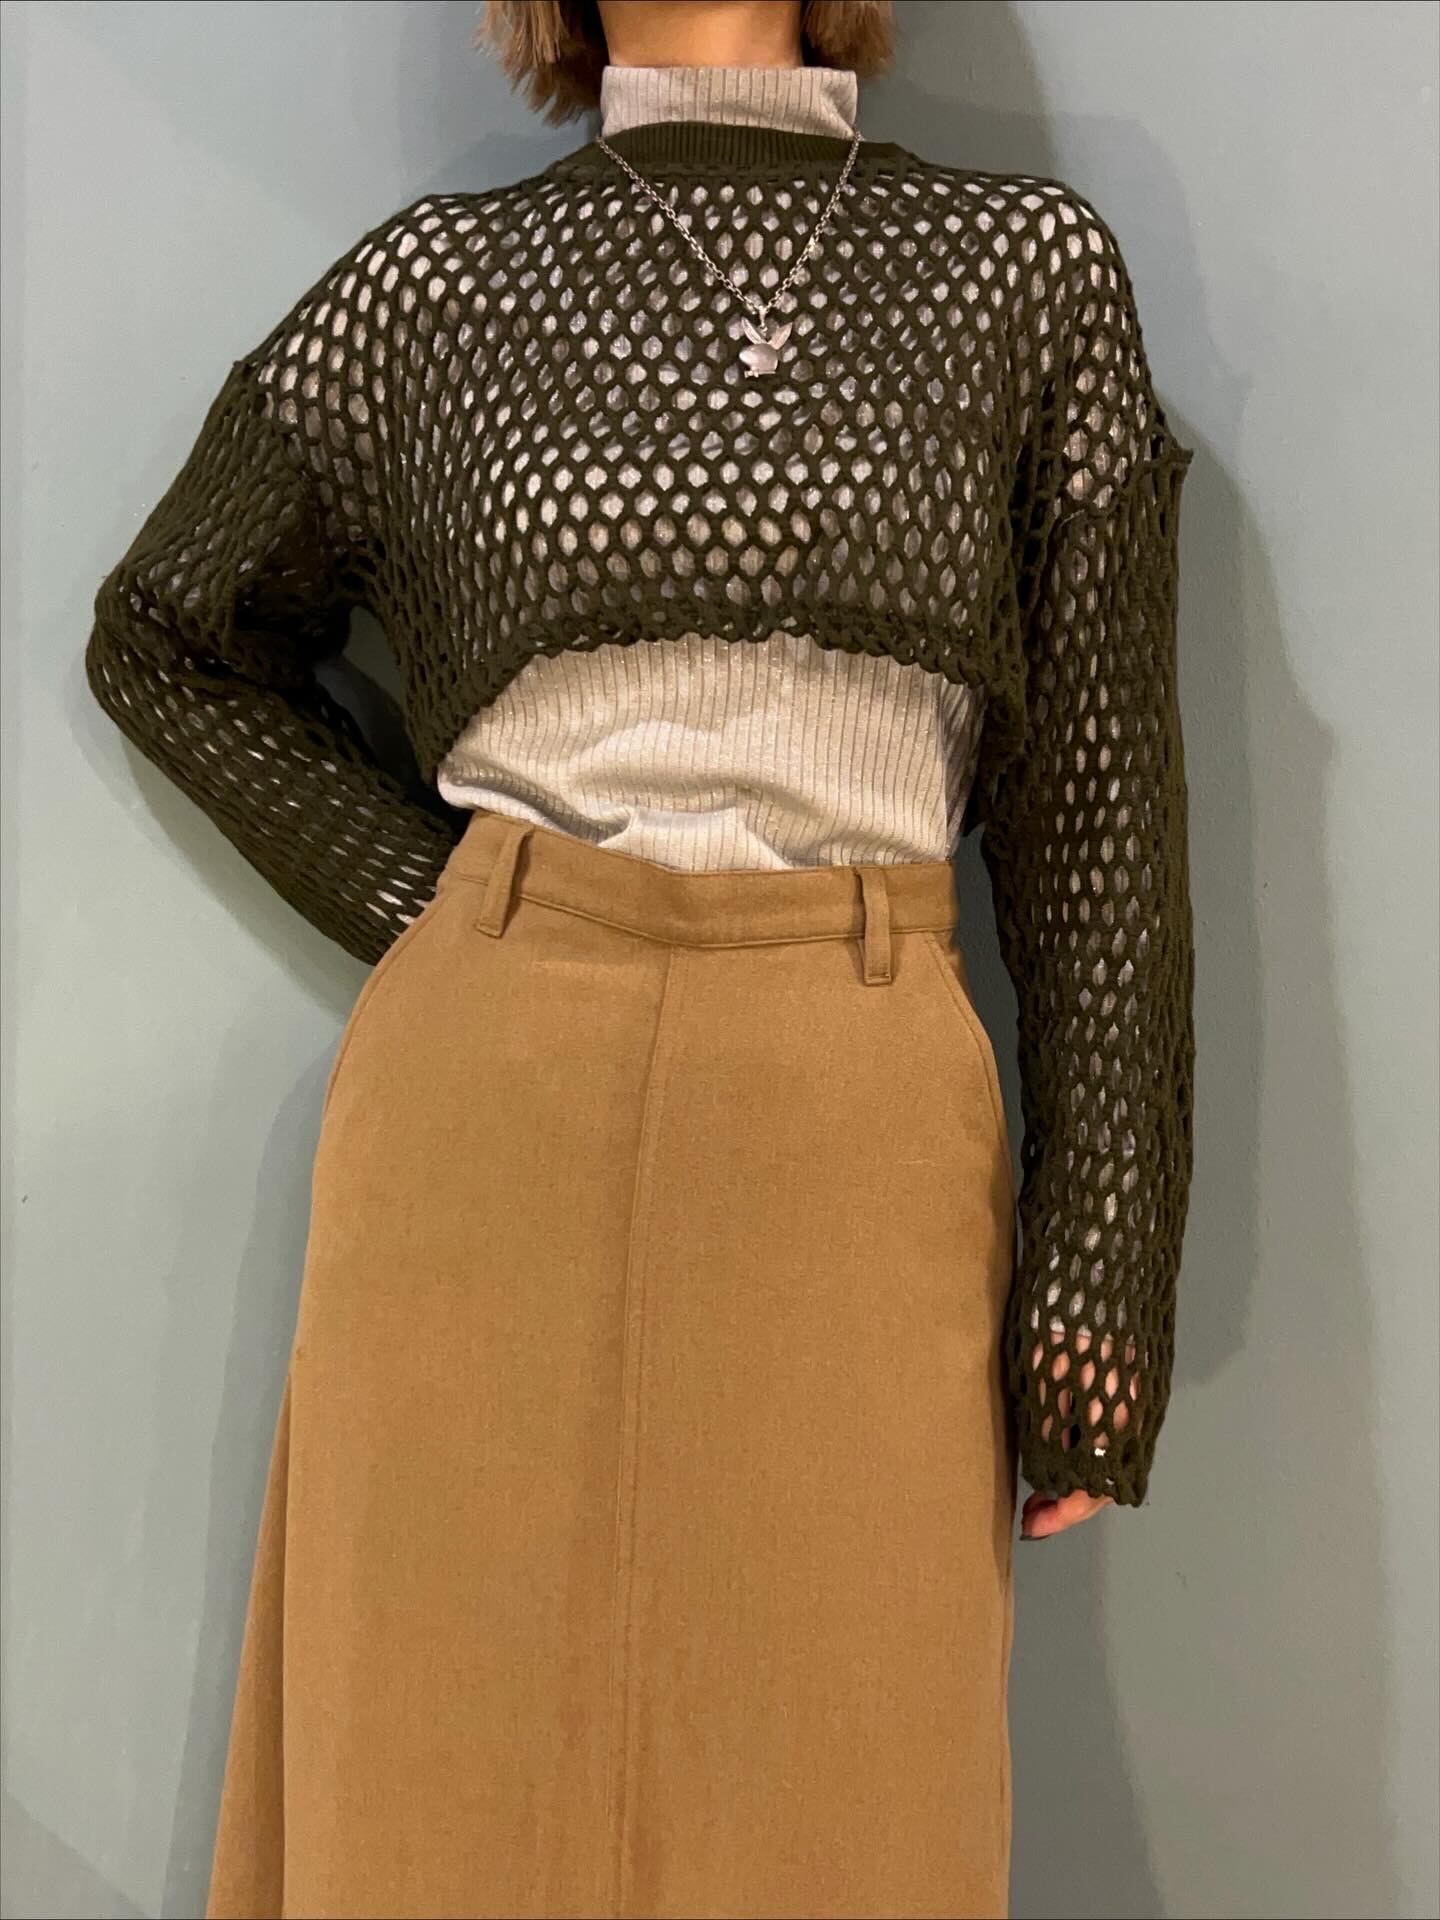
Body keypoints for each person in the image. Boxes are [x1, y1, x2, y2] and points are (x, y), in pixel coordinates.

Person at [84, 1, 1198, 1914]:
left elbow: (1098, 817)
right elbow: (164, 632)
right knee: (427, 1802)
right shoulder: (440, 290)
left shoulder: (1023, 272)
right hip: (489, 1107)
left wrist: (1101, 1284)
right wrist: (457, 916)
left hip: (856, 1103)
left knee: (852, 1812)